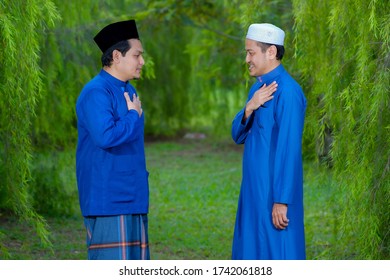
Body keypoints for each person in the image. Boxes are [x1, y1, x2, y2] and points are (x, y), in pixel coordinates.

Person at [75, 19, 150, 260]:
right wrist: (131, 115)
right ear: (117, 56)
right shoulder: (96, 91)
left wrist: (131, 115)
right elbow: (105, 136)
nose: (142, 62)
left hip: (133, 194)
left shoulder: (129, 90)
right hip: (107, 197)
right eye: (137, 56)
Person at [231, 23, 307, 259]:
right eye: (247, 52)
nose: (247, 59)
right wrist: (249, 107)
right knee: (251, 251)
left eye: (251, 52)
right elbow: (237, 135)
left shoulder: (289, 92)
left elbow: (289, 149)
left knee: (279, 252)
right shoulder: (258, 89)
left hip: (274, 193)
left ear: (271, 52)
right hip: (253, 190)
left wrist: (282, 200)